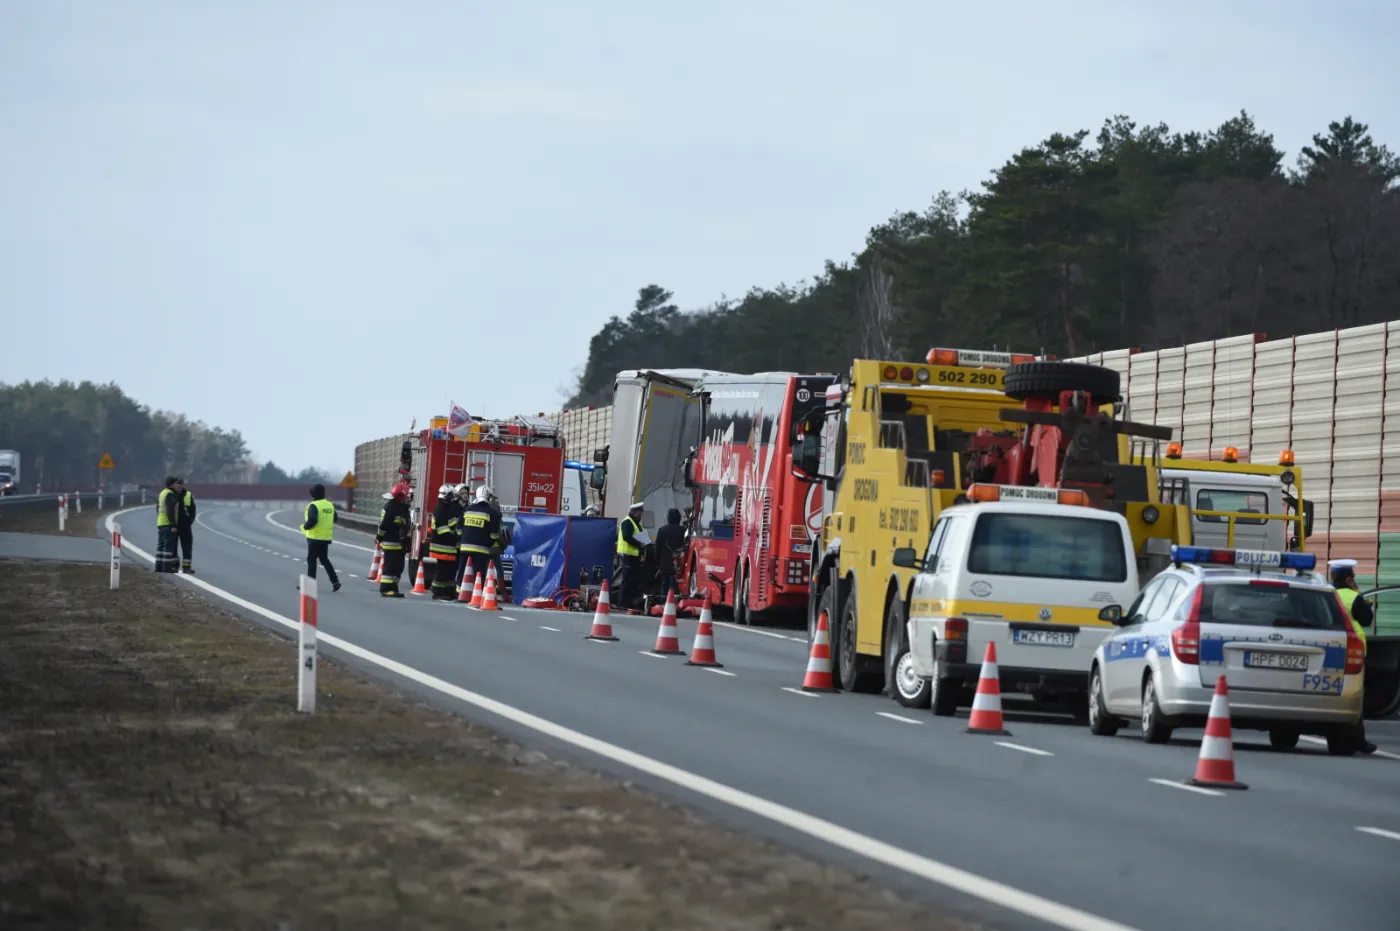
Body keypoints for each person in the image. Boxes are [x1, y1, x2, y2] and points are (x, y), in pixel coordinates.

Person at [1329, 558, 1377, 754]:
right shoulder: (1353, 597)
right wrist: (1364, 603)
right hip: (1352, 652)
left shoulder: (1327, 594)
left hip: (1330, 649)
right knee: (1354, 696)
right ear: (1349, 580)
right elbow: (1366, 620)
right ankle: (1358, 739)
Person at [456, 484, 502, 593]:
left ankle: (459, 592)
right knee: (479, 573)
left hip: (465, 548)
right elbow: (495, 535)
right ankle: (477, 594)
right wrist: (488, 544)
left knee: (462, 570)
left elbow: (458, 530)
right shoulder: (492, 513)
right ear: (489, 497)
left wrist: (464, 540)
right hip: (481, 550)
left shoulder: (467, 510)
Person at [300, 483, 342, 592]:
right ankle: (335, 582)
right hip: (325, 537)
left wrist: (306, 526)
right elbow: (335, 518)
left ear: (313, 495)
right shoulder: (329, 505)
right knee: (324, 560)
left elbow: (313, 520)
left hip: (315, 537)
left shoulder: (314, 505)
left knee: (311, 560)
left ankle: (310, 585)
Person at [375, 483, 413, 597]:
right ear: (401, 496)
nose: (410, 499)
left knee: (398, 567)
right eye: (408, 496)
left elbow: (405, 527)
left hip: (399, 544)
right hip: (391, 542)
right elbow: (383, 526)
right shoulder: (391, 508)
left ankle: (393, 588)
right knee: (390, 567)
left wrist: (407, 542)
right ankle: (386, 589)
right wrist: (379, 537)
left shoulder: (403, 509)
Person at [427, 483, 463, 599]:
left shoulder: (446, 507)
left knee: (450, 569)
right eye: (451, 495)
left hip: (448, 545)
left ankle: (448, 591)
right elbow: (442, 529)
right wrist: (455, 536)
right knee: (443, 570)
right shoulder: (441, 508)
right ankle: (438, 592)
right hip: (442, 545)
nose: (453, 498)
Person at [615, 501, 646, 610]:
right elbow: (627, 537)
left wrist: (642, 552)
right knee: (626, 580)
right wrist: (639, 544)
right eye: (639, 513)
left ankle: (630, 603)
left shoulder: (637, 524)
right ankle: (622, 603)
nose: (641, 515)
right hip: (627, 555)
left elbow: (642, 539)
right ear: (633, 512)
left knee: (633, 581)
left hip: (634, 556)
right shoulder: (627, 522)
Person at [654, 507, 686, 598]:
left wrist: (657, 562)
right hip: (679, 564)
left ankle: (664, 603)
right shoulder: (683, 530)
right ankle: (674, 603)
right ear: (679, 518)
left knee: (664, 584)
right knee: (675, 585)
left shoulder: (662, 530)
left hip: (664, 563)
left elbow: (657, 547)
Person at [155, 475, 180, 572]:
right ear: (172, 484)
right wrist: (173, 525)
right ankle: (166, 568)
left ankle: (159, 567)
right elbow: (170, 511)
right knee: (168, 547)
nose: (176, 485)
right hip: (168, 524)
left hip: (160, 522)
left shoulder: (162, 493)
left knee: (160, 546)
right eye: (175, 483)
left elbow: (158, 508)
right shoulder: (170, 494)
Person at [175, 477, 196, 573]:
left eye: (181, 484)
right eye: (178, 483)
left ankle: (186, 567)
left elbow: (192, 509)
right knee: (172, 547)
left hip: (185, 526)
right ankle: (174, 566)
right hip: (173, 526)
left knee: (187, 547)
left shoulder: (188, 494)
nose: (179, 485)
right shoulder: (170, 494)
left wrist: (190, 521)